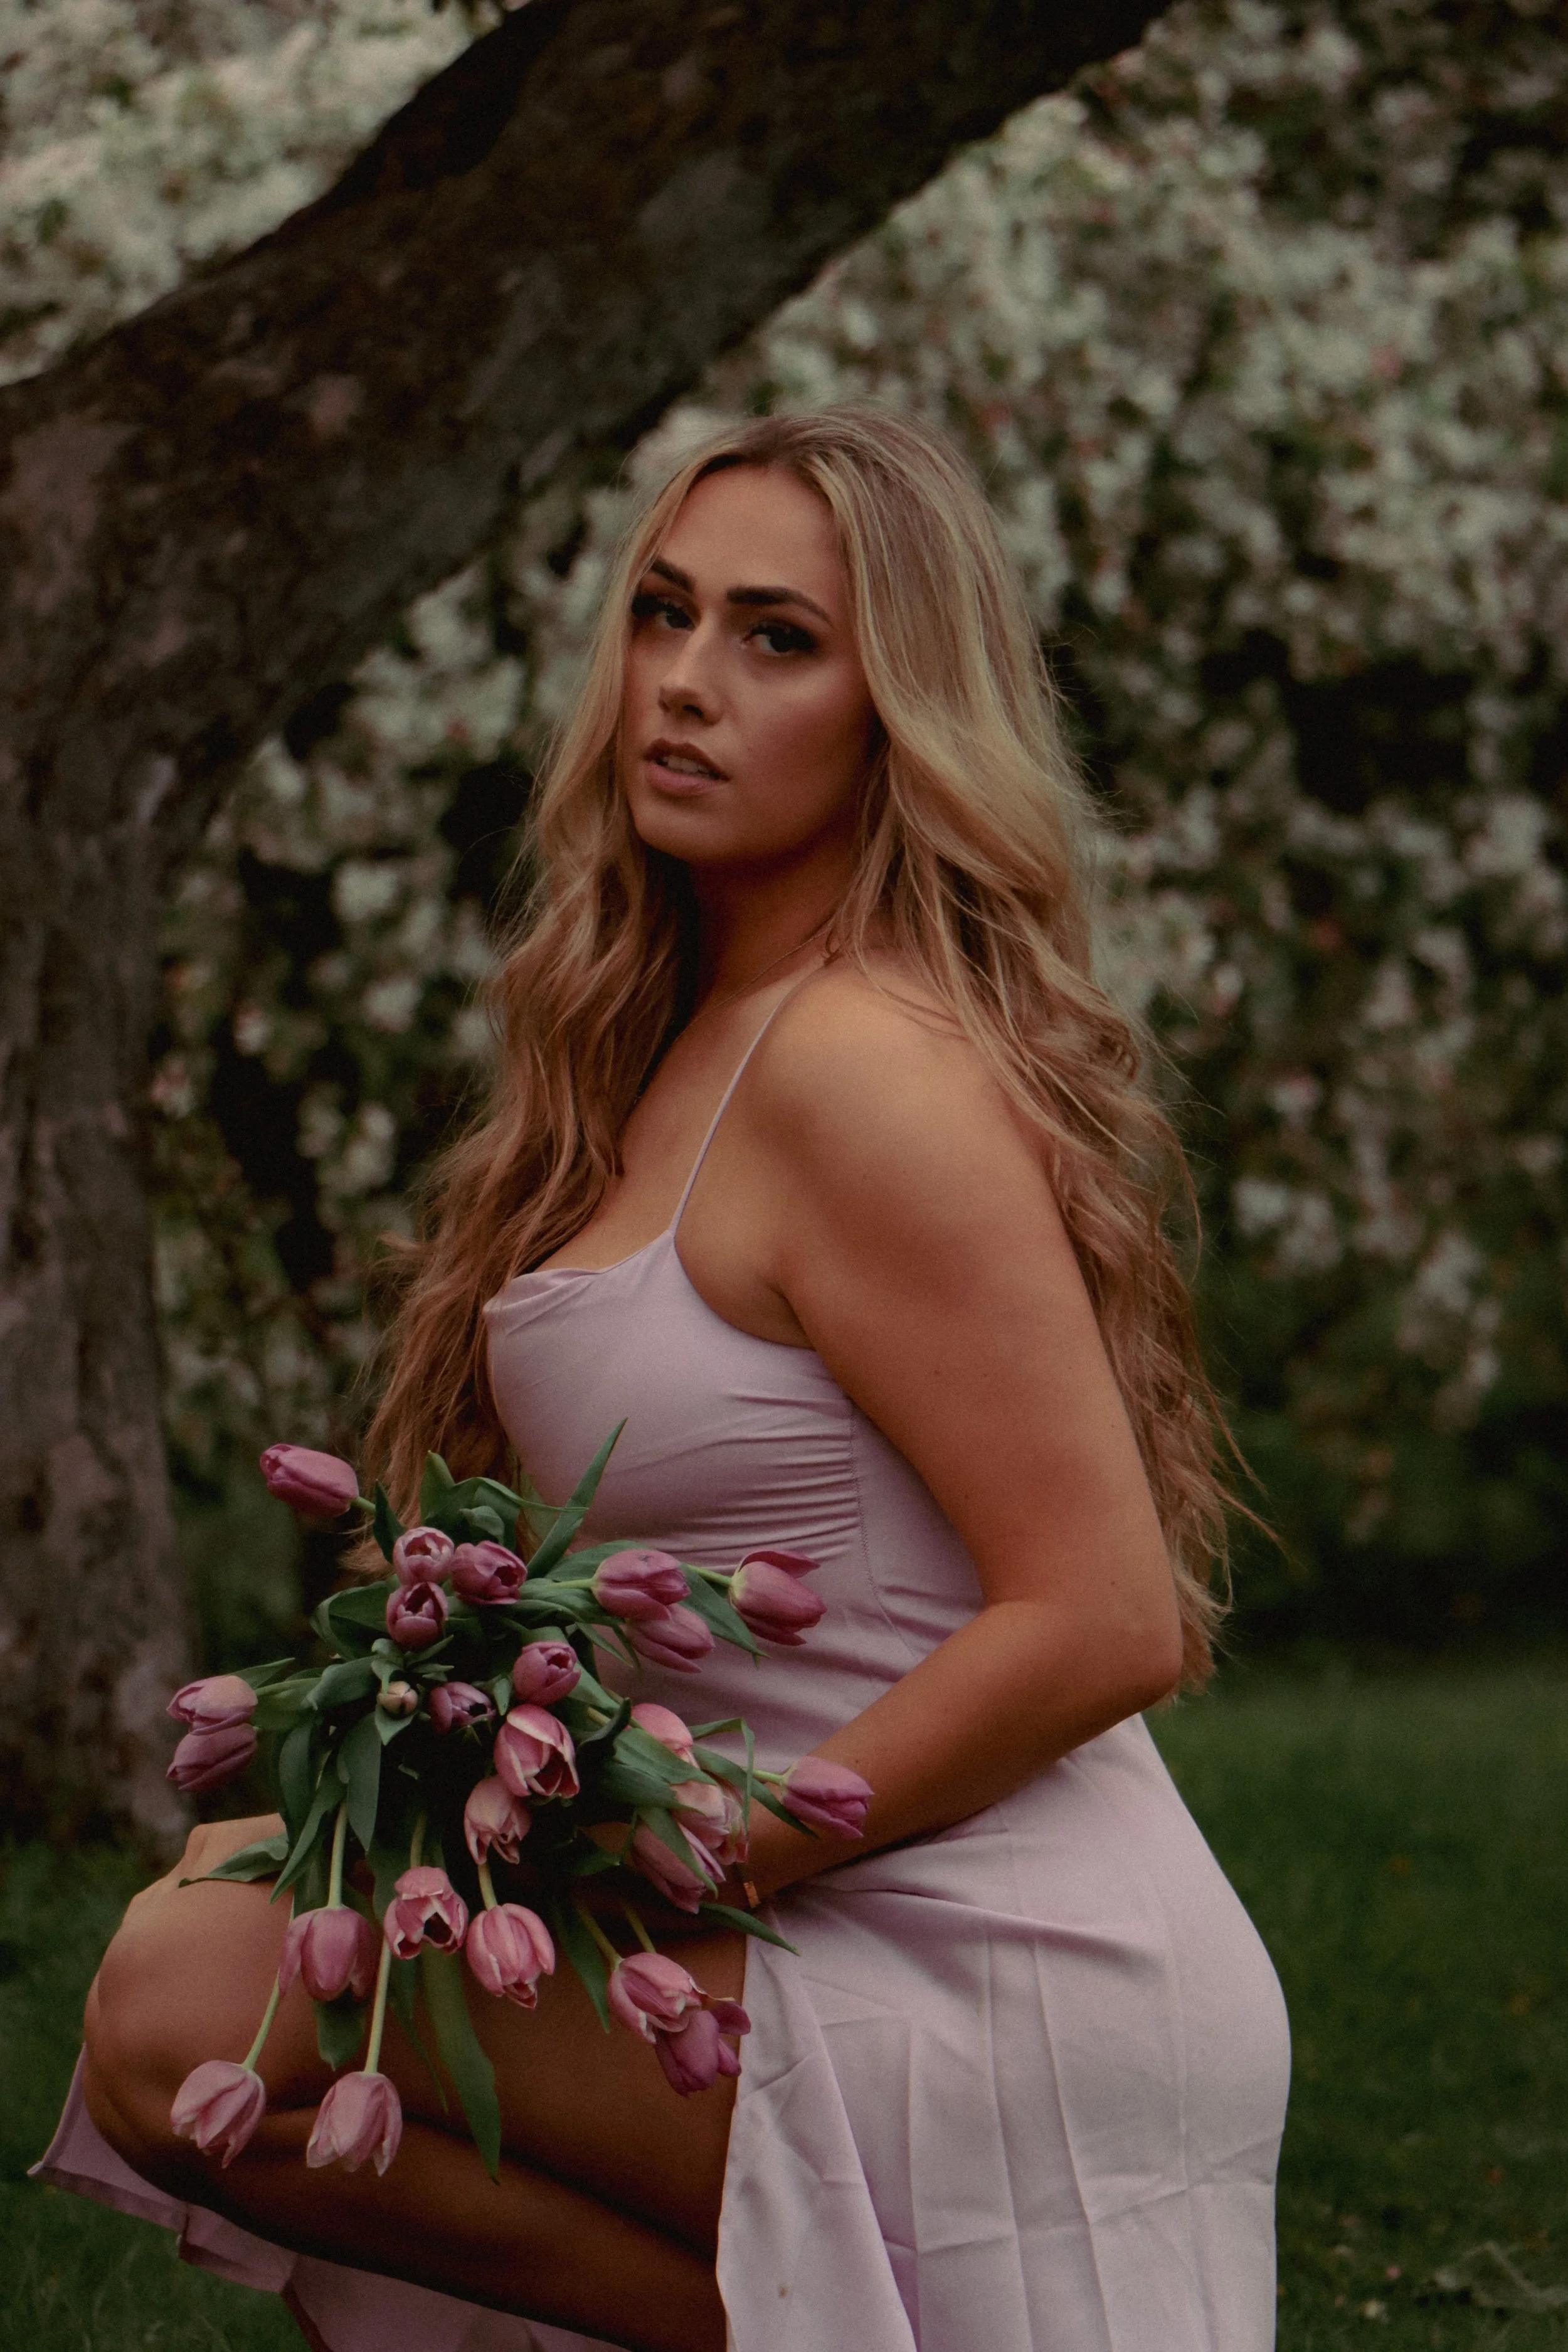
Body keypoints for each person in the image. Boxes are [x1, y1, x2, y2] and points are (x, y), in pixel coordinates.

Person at [47, 407, 1290, 2352]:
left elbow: (1107, 1613)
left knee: (195, 2004)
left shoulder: (859, 1064)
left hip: (998, 1967)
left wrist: (646, 1852)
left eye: (777, 638)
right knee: (219, 1922)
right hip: (820, 1920)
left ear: (900, 708)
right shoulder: (672, 1039)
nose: (687, 684)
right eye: (662, 612)